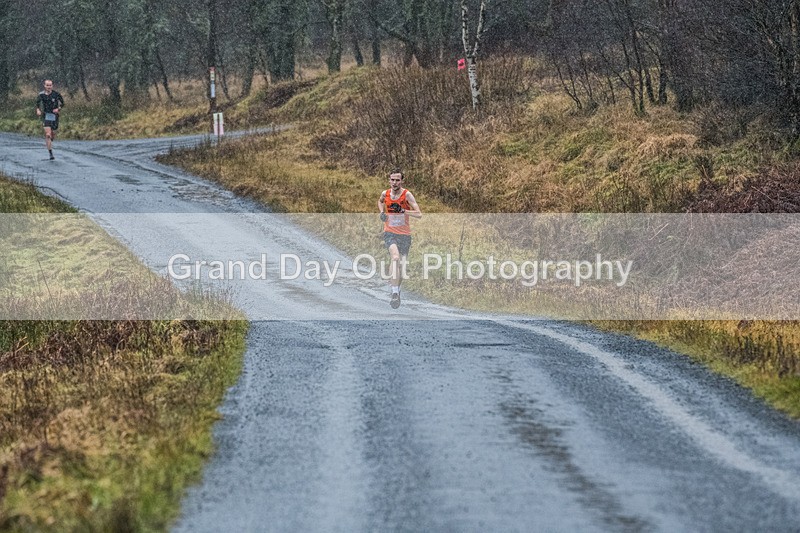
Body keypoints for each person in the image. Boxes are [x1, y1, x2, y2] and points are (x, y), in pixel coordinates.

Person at [378, 170, 422, 308]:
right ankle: (394, 292)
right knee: (395, 258)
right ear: (389, 180)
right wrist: (381, 213)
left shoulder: (407, 195)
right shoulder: (385, 194)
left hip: (404, 234)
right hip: (390, 233)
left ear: (402, 180)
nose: (395, 183)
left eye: (397, 180)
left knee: (402, 267)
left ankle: (397, 288)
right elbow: (380, 202)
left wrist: (403, 211)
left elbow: (419, 214)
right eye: (392, 180)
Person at [35, 79, 65, 160]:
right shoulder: (41, 95)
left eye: (50, 85)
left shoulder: (56, 94)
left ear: (52, 86)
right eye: (47, 85)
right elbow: (37, 103)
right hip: (46, 115)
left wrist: (58, 109)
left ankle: (52, 133)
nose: (49, 87)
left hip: (54, 115)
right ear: (44, 86)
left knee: (52, 134)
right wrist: (38, 110)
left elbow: (62, 103)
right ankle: (51, 154)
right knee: (47, 135)